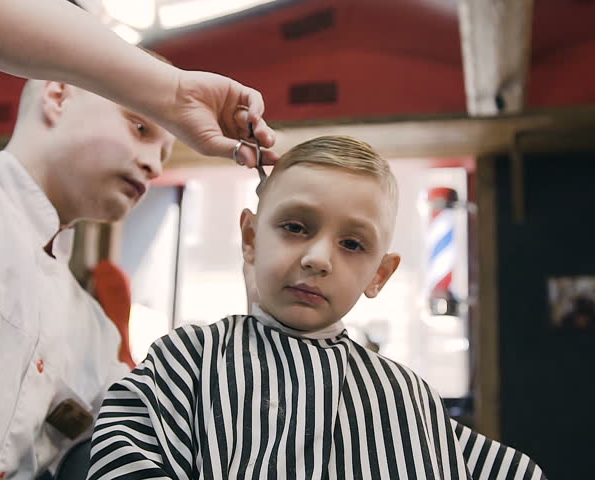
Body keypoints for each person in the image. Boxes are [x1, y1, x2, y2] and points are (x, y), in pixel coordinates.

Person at [0, 1, 276, 478]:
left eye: (165, 155)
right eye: (140, 126)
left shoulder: (94, 335)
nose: (154, 165)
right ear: (58, 96)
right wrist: (171, 91)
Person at [88, 136, 546, 479]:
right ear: (250, 239)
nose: (318, 258)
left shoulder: (403, 395)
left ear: (379, 276)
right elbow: (120, 455)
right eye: (295, 226)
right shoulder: (188, 357)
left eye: (352, 243)